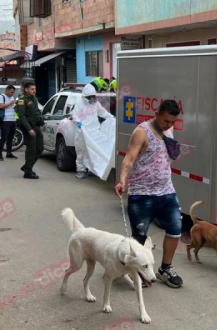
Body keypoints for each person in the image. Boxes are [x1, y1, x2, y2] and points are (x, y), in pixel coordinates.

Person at [115, 99, 184, 288]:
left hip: (166, 191)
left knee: (175, 229)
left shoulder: (169, 130)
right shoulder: (141, 132)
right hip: (141, 194)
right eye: (166, 121)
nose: (169, 125)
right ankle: (136, 271)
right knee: (139, 236)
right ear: (157, 114)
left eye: (172, 122)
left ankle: (165, 268)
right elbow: (129, 159)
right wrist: (122, 180)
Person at [73, 83, 113, 179]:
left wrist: (111, 117)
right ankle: (80, 170)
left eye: (92, 96)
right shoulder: (79, 103)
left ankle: (91, 169)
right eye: (89, 97)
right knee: (81, 151)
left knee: (93, 151)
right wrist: (78, 123)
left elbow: (102, 112)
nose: (91, 98)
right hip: (83, 132)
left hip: (94, 131)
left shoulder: (95, 103)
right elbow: (75, 115)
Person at [16, 81, 44, 179]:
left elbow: (37, 112)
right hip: (29, 128)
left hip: (36, 126)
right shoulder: (22, 100)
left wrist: (42, 122)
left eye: (35, 89)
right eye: (32, 89)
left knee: (40, 148)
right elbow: (21, 117)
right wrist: (29, 129)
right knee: (31, 149)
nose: (34, 91)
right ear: (26, 89)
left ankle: (27, 166)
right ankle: (28, 172)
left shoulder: (34, 99)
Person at [0, 85, 18, 161]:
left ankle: (9, 153)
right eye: (11, 92)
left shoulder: (12, 98)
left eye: (13, 92)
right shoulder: (1, 97)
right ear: (7, 90)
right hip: (5, 120)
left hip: (13, 119)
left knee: (10, 137)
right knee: (3, 137)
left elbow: (13, 107)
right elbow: (0, 106)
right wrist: (10, 103)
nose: (12, 94)